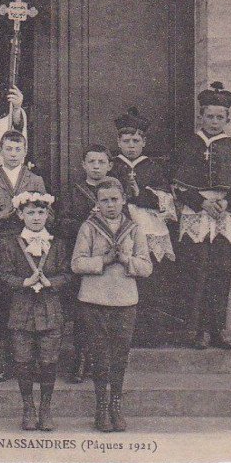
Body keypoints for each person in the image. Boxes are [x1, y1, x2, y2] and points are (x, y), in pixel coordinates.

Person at [172, 82, 231, 350]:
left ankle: (216, 330)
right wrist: (201, 202)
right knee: (196, 273)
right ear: (201, 117)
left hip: (225, 217)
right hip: (197, 215)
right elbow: (178, 186)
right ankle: (197, 331)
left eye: (219, 117)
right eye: (209, 116)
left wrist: (226, 203)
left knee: (221, 274)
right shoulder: (190, 146)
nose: (214, 121)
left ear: (227, 119)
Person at [71, 178, 152, 432]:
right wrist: (103, 260)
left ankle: (116, 405)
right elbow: (77, 263)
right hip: (94, 300)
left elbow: (146, 267)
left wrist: (126, 259)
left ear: (124, 200)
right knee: (100, 355)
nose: (110, 205)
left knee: (120, 355)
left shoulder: (134, 229)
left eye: (115, 199)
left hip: (125, 300)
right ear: (97, 203)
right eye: (104, 200)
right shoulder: (89, 227)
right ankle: (101, 407)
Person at [0, 129, 50, 383]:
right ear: (0, 152)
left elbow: (47, 214)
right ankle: (2, 364)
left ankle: (32, 364)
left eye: (18, 149)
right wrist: (5, 213)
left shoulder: (35, 180)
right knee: (1, 307)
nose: (13, 154)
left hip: (29, 251)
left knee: (30, 306)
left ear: (25, 152)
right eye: (8, 149)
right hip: (2, 250)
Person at [0, 191, 71, 431]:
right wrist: (23, 282)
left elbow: (68, 274)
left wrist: (52, 282)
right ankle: (28, 408)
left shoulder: (57, 244)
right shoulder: (10, 244)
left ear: (48, 214)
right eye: (30, 213)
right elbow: (2, 275)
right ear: (20, 215)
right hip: (22, 311)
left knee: (49, 362)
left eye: (41, 212)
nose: (36, 217)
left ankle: (45, 409)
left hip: (50, 311)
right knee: (23, 361)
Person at [110, 107, 177, 345]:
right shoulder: (112, 166)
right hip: (121, 224)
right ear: (118, 142)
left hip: (148, 226)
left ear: (144, 142)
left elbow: (166, 201)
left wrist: (140, 194)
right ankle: (121, 333)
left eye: (136, 141)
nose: (131, 146)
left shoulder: (153, 167)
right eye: (126, 141)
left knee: (149, 278)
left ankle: (149, 332)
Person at [58, 144, 114, 383]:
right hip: (83, 259)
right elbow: (61, 224)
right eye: (92, 162)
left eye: (101, 162)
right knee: (83, 313)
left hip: (109, 261)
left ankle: (99, 362)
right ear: (83, 165)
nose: (96, 167)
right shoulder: (74, 192)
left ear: (109, 166)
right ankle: (80, 360)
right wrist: (86, 221)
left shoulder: (114, 192)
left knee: (106, 313)